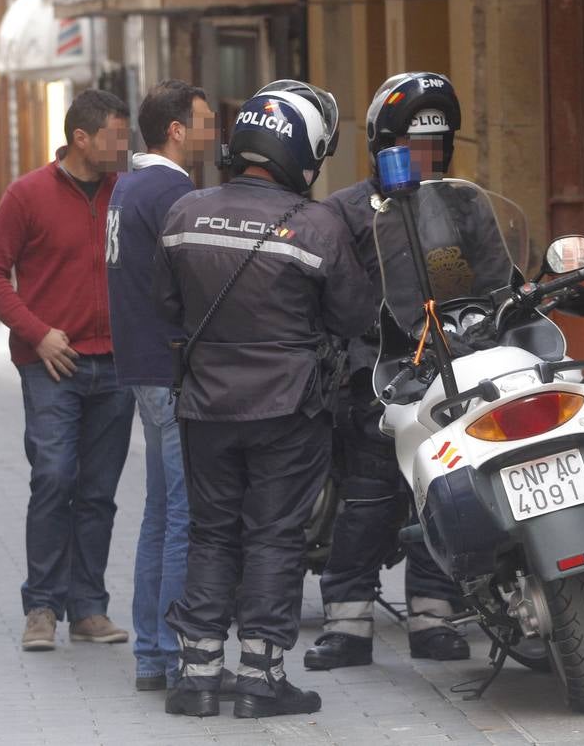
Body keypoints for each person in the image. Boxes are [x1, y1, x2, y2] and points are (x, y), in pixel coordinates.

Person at [155, 83, 373, 720]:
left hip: (204, 406)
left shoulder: (184, 214)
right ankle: (260, 677)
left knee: (211, 534)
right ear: (299, 152)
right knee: (275, 538)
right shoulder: (317, 224)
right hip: (288, 410)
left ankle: (197, 677)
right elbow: (355, 314)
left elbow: (164, 307)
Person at [304, 72, 471, 672]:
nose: (427, 158)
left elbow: (484, 282)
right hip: (370, 379)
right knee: (369, 501)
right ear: (382, 145)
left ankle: (435, 615)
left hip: (447, 379)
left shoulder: (457, 207)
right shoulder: (342, 213)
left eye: (437, 147)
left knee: (439, 496)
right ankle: (347, 621)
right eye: (414, 147)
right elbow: (318, 299)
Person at [0, 89, 136, 653]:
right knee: (53, 478)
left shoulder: (129, 193)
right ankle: (41, 606)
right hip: (52, 365)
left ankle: (89, 609)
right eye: (116, 135)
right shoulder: (28, 195)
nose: (125, 146)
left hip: (117, 364)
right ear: (81, 139)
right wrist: (36, 333)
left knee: (98, 492)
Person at [105, 80, 217, 691]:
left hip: (142, 368)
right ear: (176, 128)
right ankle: (177, 656)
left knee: (160, 512)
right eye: (206, 120)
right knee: (185, 518)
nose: (213, 131)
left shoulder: (128, 186)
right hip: (172, 371)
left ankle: (150, 653)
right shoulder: (173, 191)